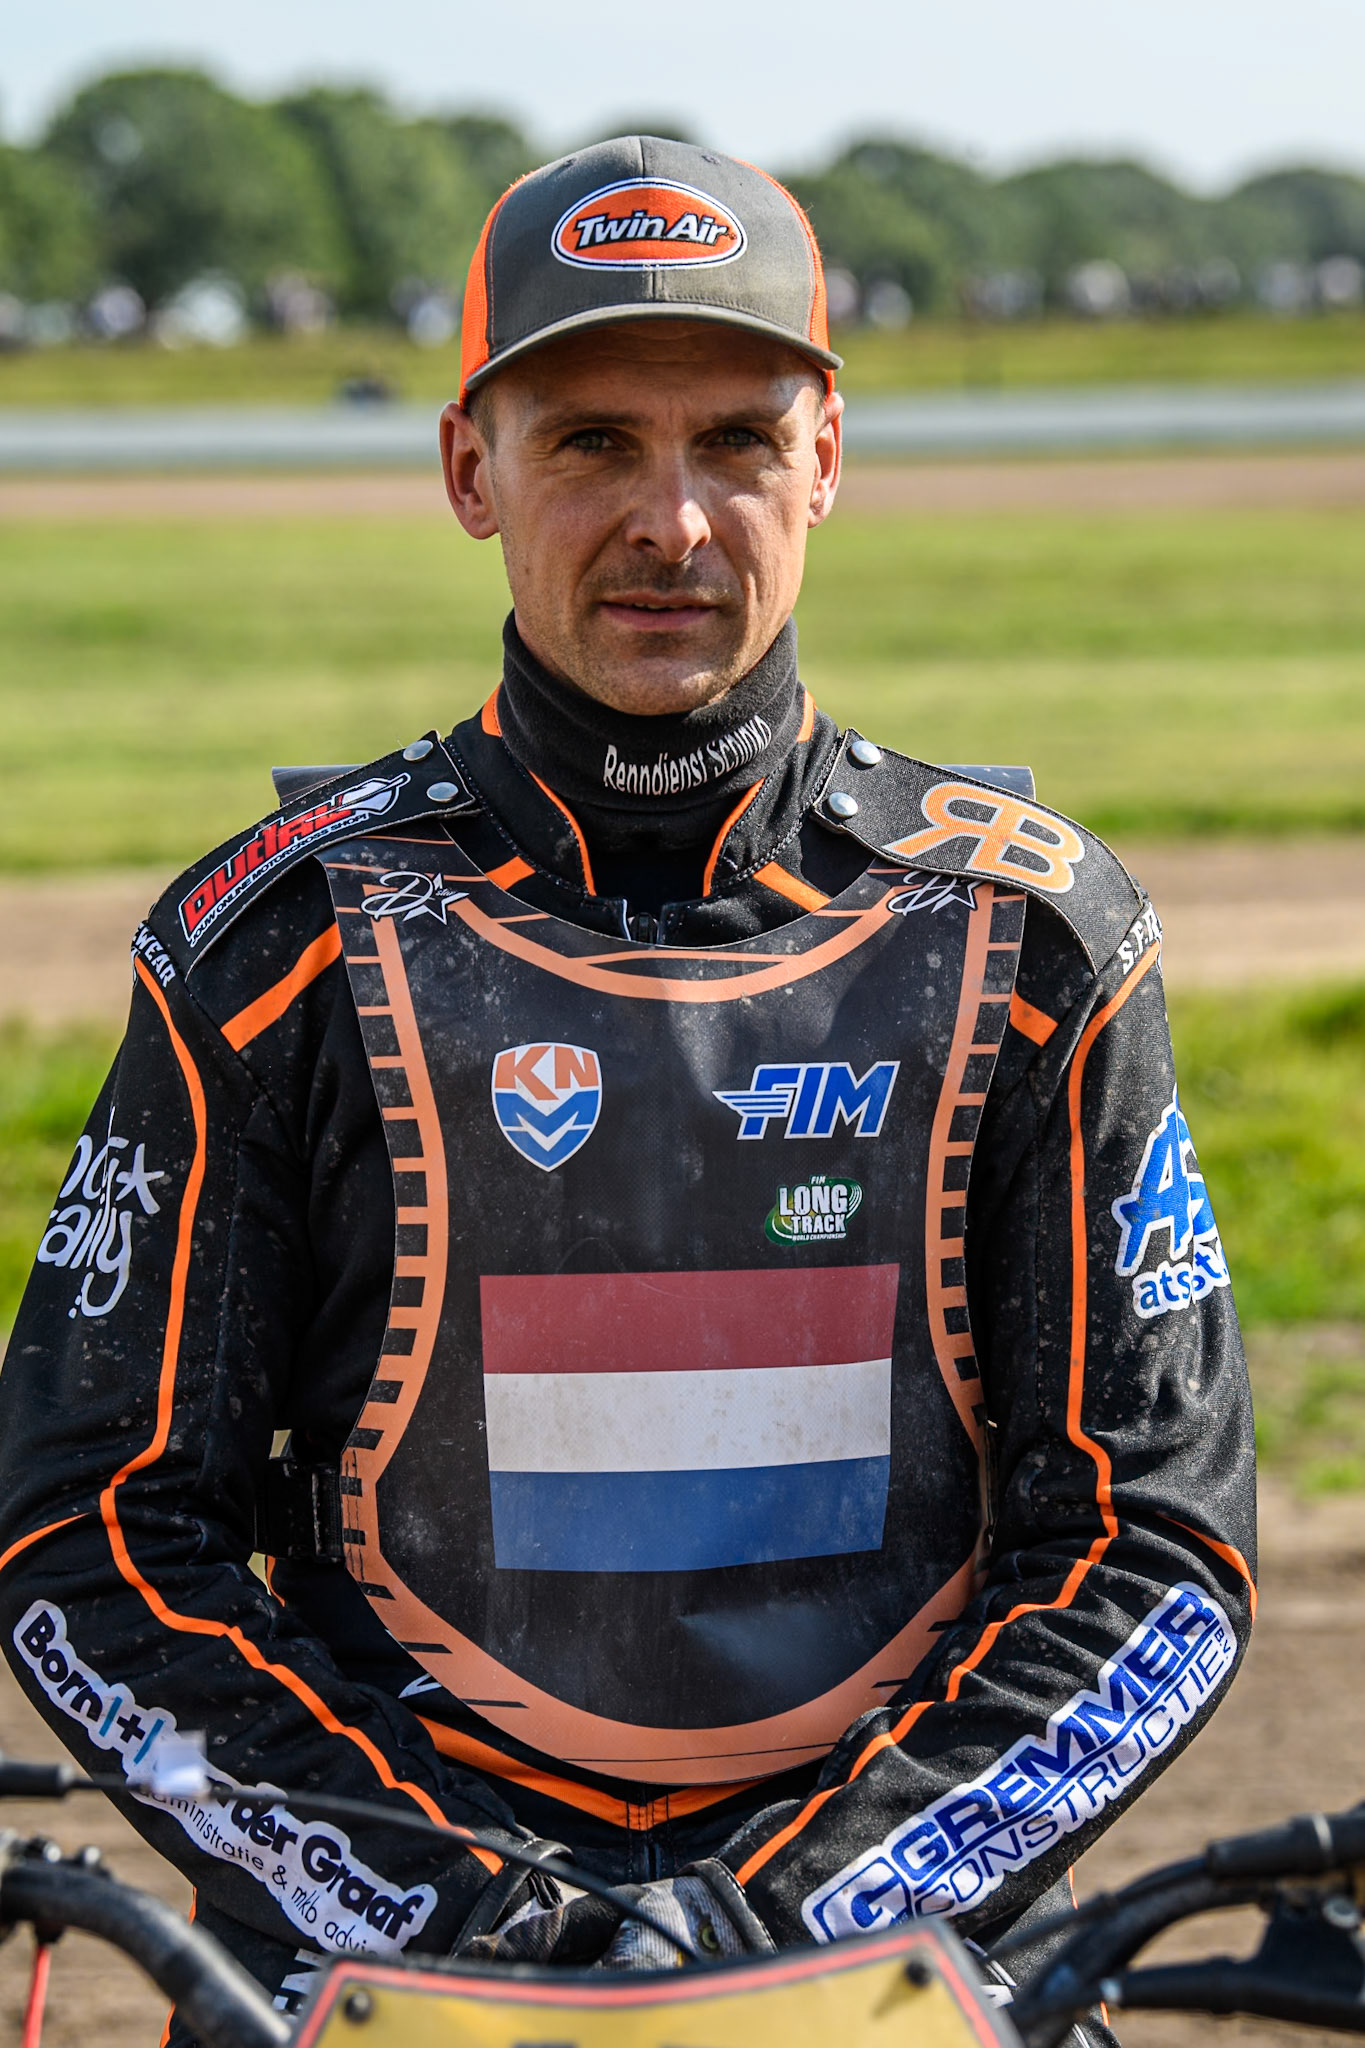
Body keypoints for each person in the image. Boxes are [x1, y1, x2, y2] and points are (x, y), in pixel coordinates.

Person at [0, 136, 1255, 2035]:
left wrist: (784, 1925)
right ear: (466, 472)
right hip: (390, 1963)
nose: (670, 520)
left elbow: (1150, 1547)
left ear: (825, 460)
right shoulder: (276, 946)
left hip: (883, 1969)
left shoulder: (1034, 932)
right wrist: (467, 1919)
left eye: (735, 441)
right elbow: (86, 1531)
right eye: (590, 441)